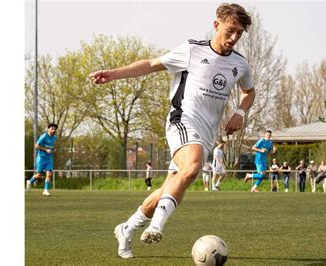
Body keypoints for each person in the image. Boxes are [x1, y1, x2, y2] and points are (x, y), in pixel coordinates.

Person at [89, 3, 254, 259]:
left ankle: (127, 227)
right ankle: (156, 226)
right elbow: (152, 64)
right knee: (194, 165)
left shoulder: (240, 64)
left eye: (239, 34)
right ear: (216, 25)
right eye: (230, 30)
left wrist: (240, 113)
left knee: (169, 188)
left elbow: (249, 91)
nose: (233, 38)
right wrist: (114, 74)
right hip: (182, 120)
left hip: (206, 133)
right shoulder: (192, 50)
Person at [26, 123, 58, 196]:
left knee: (49, 174)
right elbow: (36, 146)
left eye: (54, 129)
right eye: (52, 129)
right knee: (39, 175)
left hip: (49, 158)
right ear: (48, 129)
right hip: (41, 158)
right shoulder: (43, 136)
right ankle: (29, 181)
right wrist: (46, 149)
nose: (53, 130)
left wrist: (54, 149)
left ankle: (45, 190)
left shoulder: (54, 137)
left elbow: (52, 146)